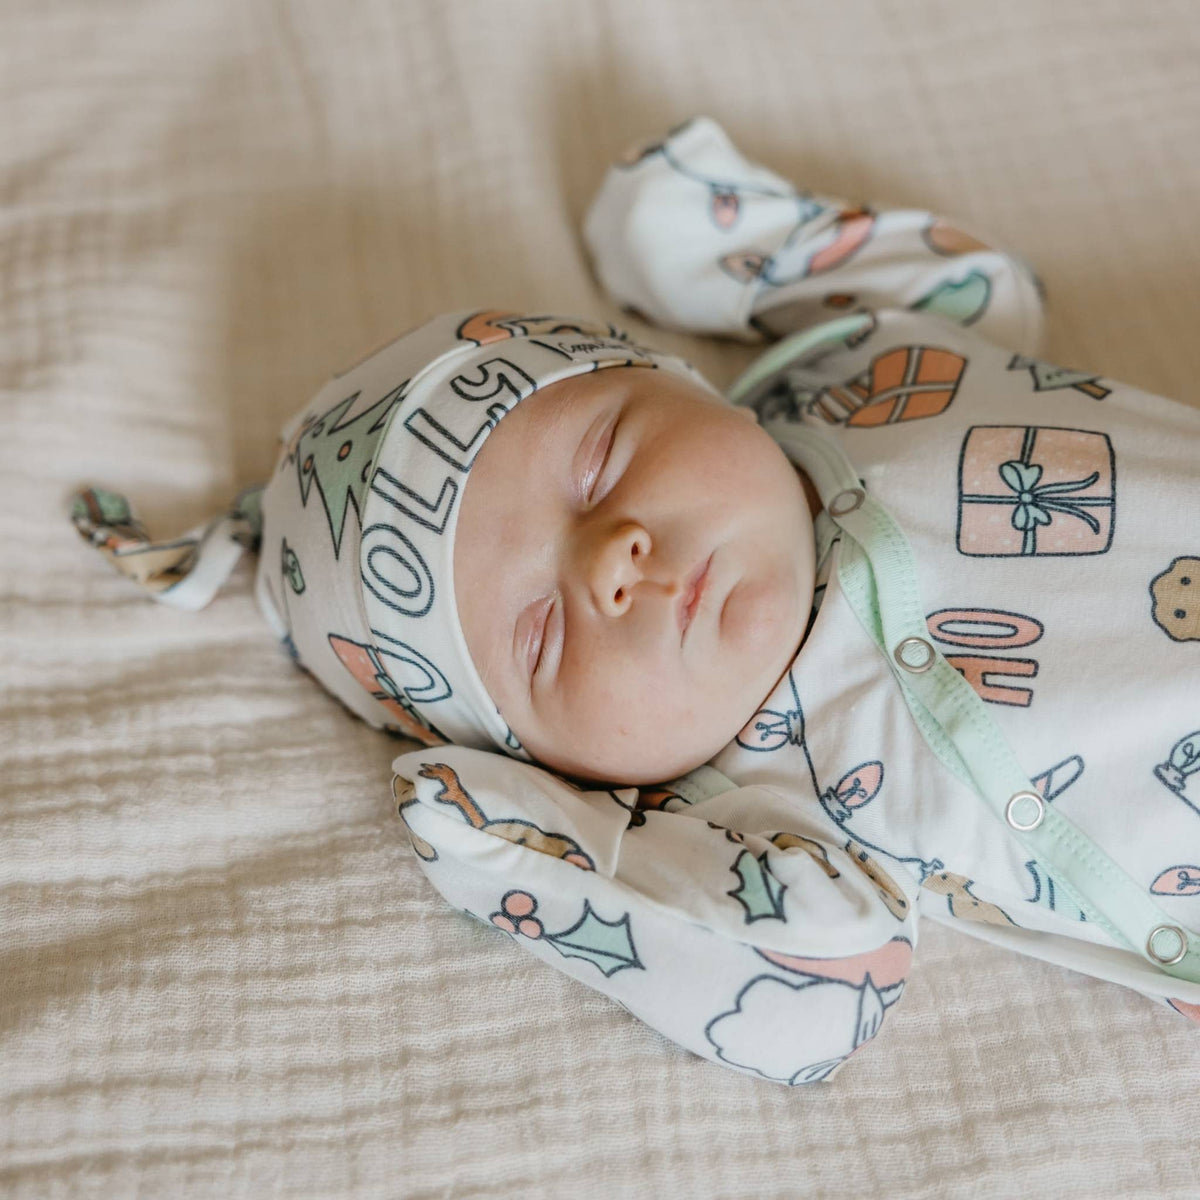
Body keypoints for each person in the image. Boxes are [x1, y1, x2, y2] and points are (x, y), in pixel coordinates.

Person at [72, 117, 1200, 1085]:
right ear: (561, 762)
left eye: (602, 459)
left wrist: (722, 244)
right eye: (543, 634)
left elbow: (987, 294)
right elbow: (817, 1001)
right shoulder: (744, 811)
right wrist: (529, 849)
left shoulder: (854, 376)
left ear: (679, 379)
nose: (613, 558)